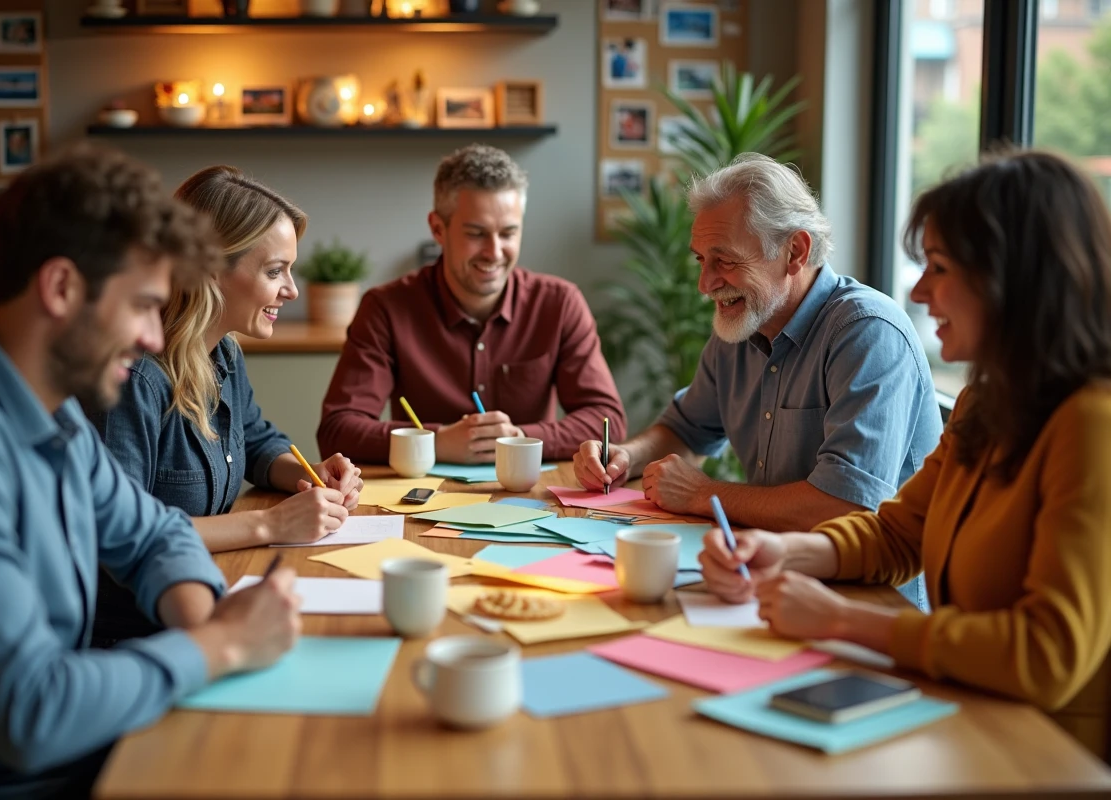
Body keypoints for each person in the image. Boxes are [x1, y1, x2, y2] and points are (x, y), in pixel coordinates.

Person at [0, 145, 303, 798]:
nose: (155, 336)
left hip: (74, 747)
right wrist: (219, 648)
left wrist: (206, 626)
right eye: (143, 304)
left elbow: (156, 536)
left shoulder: (57, 418)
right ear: (62, 288)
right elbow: (29, 710)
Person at [698, 150, 1111, 757]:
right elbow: (896, 536)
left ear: (1016, 279)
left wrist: (845, 621)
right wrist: (782, 552)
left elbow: (1046, 655)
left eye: (939, 268)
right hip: (966, 717)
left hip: (1043, 756)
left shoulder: (1092, 423)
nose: (919, 291)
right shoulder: (985, 401)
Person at [573, 153, 940, 608]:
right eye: (701, 261)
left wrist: (706, 495)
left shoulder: (867, 332)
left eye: (724, 261)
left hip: (867, 603)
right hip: (762, 581)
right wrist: (623, 456)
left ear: (795, 252)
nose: (706, 284)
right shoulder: (742, 324)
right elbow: (685, 430)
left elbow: (846, 508)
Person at [91, 166, 361, 644]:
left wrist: (307, 472)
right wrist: (271, 523)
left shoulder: (223, 353)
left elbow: (255, 440)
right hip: (145, 637)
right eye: (275, 270)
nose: (292, 290)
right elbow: (121, 538)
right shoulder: (134, 378)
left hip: (220, 596)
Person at [318, 144, 626, 464]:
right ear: (438, 228)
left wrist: (519, 439)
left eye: (508, 233)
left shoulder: (559, 304)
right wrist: (435, 442)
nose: (494, 252)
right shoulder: (386, 309)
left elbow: (608, 421)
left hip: (530, 499)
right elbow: (336, 431)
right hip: (419, 502)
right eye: (477, 233)